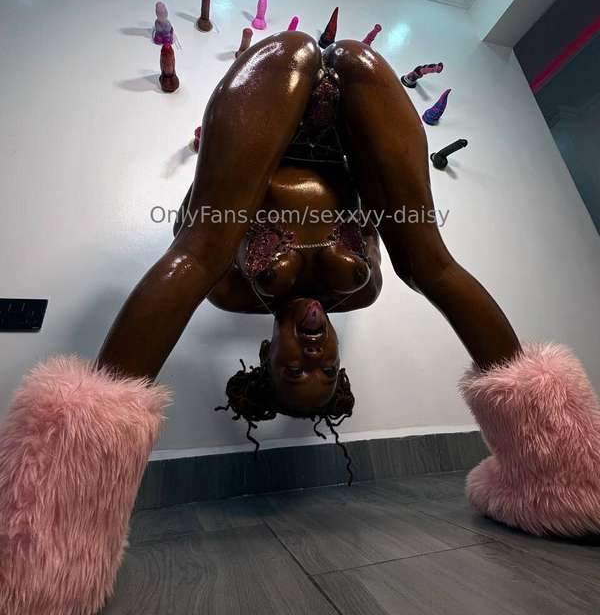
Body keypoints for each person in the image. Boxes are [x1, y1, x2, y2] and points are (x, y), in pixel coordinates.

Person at [2, 31, 599, 615]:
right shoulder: (361, 295)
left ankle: (47, 537)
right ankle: (562, 475)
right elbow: (373, 207)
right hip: (350, 139)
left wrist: (217, 223)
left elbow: (193, 228)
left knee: (217, 210)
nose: (314, 355)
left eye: (294, 369)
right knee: (428, 261)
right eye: (327, 370)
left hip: (266, 125)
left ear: (266, 357)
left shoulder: (230, 292)